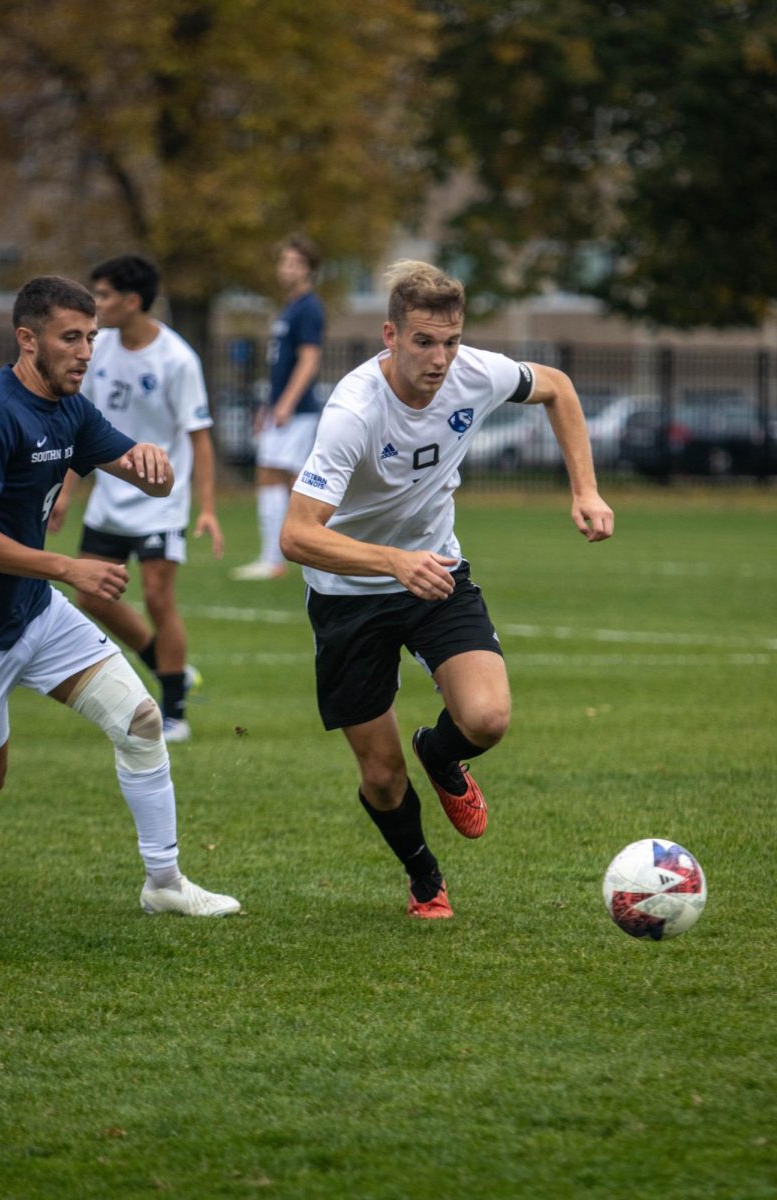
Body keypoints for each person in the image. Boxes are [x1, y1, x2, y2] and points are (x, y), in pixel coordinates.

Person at [280, 260, 614, 920]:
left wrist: (585, 488)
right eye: (425, 342)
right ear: (391, 336)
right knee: (379, 774)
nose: (441, 359)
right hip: (348, 592)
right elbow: (296, 535)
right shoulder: (353, 412)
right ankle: (423, 877)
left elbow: (559, 389)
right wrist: (390, 562)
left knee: (487, 718)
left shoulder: (474, 374)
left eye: (452, 340)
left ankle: (441, 752)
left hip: (436, 572)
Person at [0, 275, 240, 917]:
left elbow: (144, 475)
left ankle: (165, 884)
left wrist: (153, 463)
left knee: (141, 720)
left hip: (33, 616)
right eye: (71, 338)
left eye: (92, 338)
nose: (86, 352)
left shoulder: (72, 407)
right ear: (26, 339)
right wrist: (68, 567)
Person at [49, 254, 223, 744]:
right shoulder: (98, 351)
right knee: (90, 595)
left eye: (103, 295)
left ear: (131, 301)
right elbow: (84, 430)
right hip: (109, 497)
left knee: (156, 596)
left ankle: (175, 711)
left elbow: (199, 436)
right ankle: (168, 667)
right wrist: (64, 491)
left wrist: (206, 506)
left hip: (160, 501)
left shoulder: (177, 359)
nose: (96, 305)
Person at [230, 234, 325, 581]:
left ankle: (278, 558)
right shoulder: (290, 308)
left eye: (295, 263)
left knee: (287, 478)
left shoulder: (309, 308)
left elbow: (309, 359)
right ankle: (283, 555)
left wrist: (285, 404)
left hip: (297, 411)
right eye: (284, 262)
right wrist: (268, 406)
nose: (287, 269)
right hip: (283, 409)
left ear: (310, 270)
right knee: (284, 478)